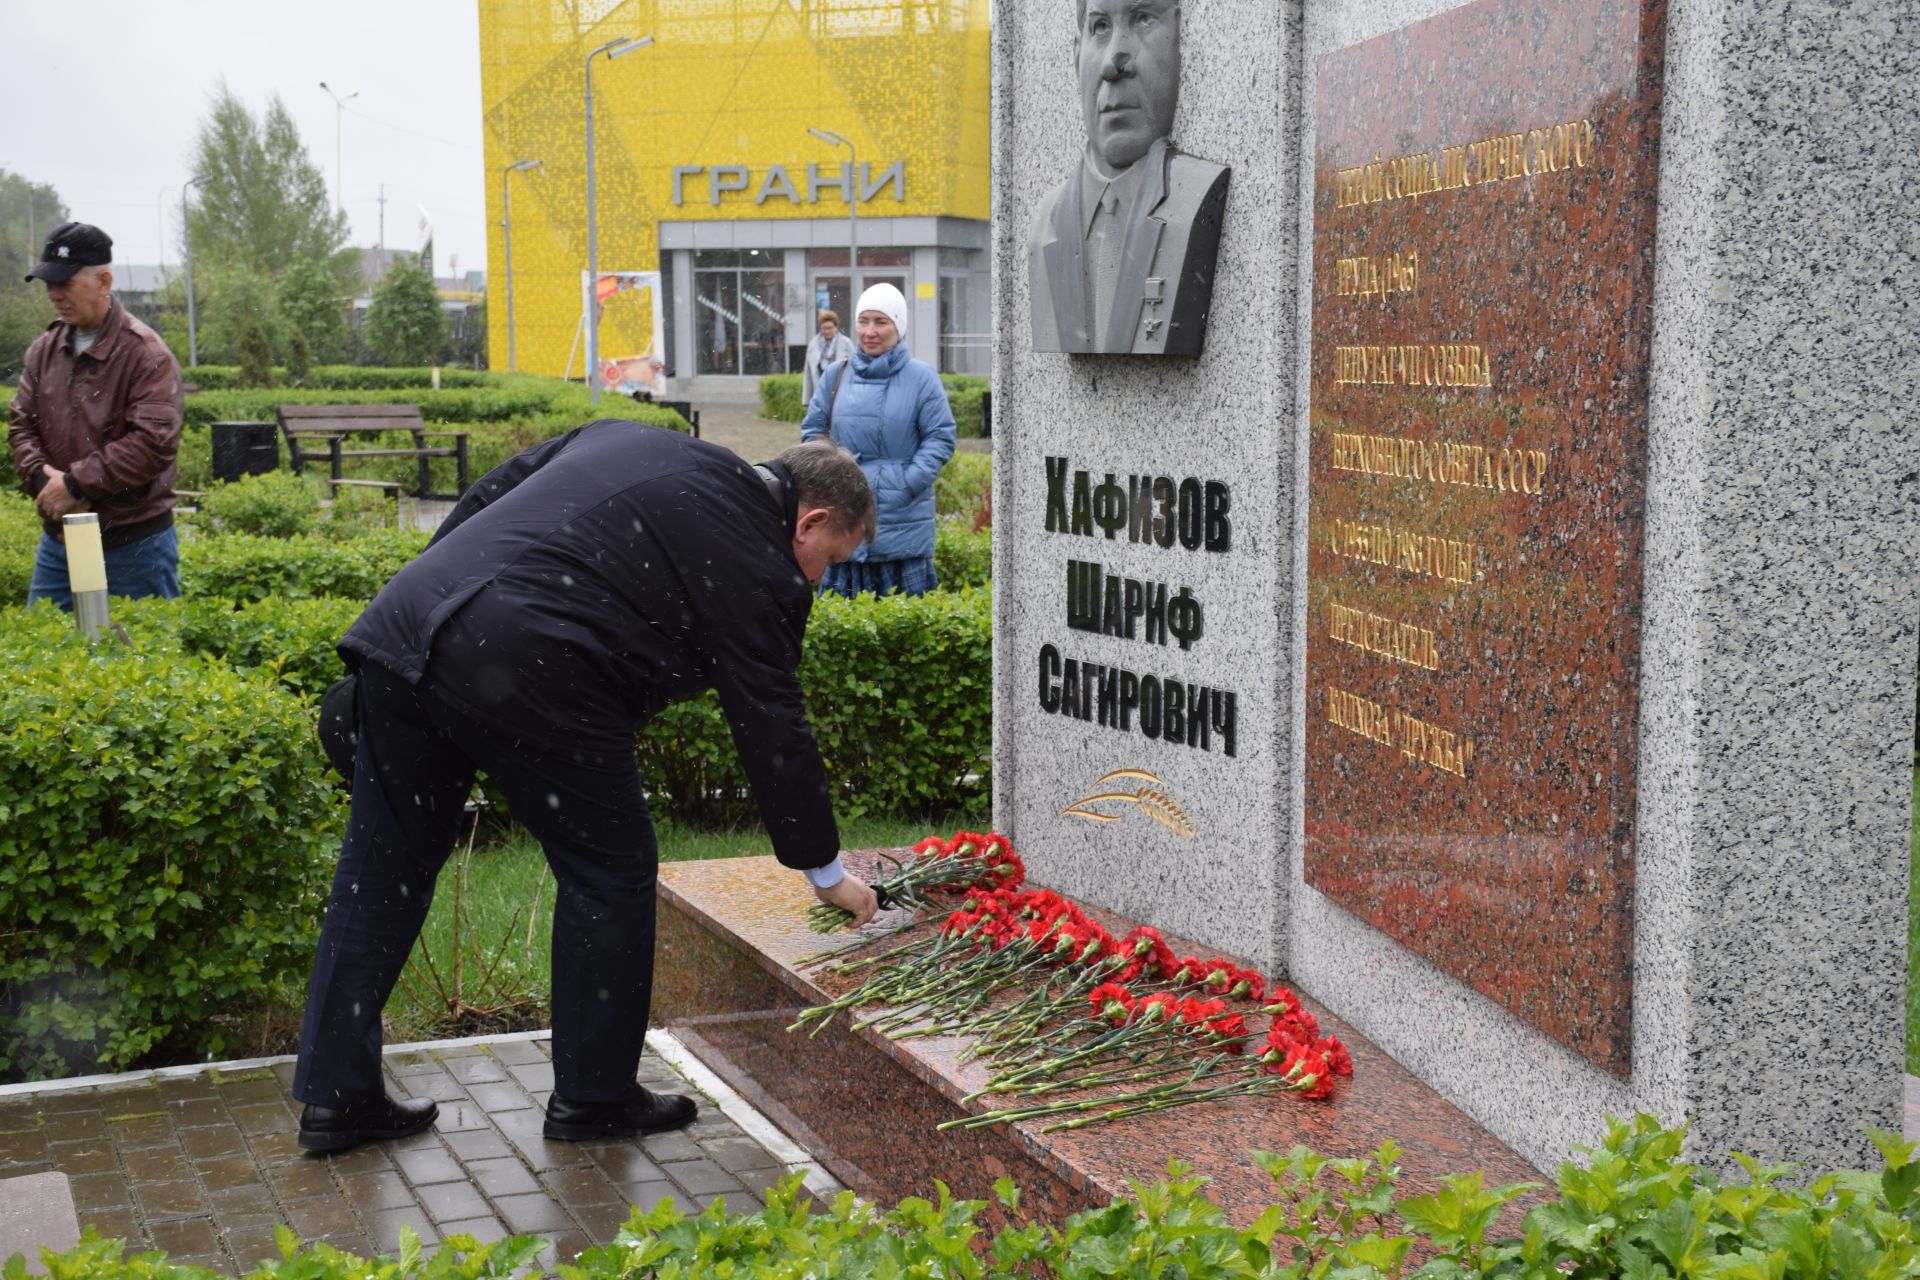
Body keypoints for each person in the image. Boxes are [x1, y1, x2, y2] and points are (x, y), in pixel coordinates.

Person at [292, 427, 882, 1153]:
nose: (819, 580)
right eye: (830, 561)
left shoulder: (631, 437)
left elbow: (489, 495)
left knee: (380, 871)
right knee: (611, 870)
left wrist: (438, 604)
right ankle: (594, 1096)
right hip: (529, 661)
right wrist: (824, 872)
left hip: (412, 625)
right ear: (811, 521)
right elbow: (773, 725)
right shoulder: (755, 556)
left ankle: (337, 1097)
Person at [1028, 0, 1231, 355]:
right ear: (1077, 56)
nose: (1113, 63)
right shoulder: (1047, 221)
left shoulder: (1199, 198)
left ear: (1183, 43)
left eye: (1143, 20)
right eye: (1100, 27)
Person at [7, 222, 184, 605]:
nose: (54, 294)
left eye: (65, 283)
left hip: (134, 545)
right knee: (44, 652)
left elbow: (153, 443)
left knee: (139, 656)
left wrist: (76, 485)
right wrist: (43, 480)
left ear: (104, 281)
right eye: (48, 284)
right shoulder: (43, 350)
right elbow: (21, 424)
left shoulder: (145, 354)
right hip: (60, 542)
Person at [800, 283, 955, 598]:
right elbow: (813, 432)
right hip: (844, 511)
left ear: (899, 326)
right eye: (863, 321)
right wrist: (833, 478)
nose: (870, 331)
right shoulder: (834, 375)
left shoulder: (922, 378)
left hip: (901, 518)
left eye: (881, 322)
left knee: (904, 634)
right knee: (845, 630)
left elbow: (940, 437)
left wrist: (906, 483)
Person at [801, 309, 855, 407]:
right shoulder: (813, 345)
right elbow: (808, 374)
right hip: (820, 394)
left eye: (830, 328)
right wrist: (806, 400)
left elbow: (855, 369)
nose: (827, 331)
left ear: (836, 327)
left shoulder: (846, 344)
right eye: (824, 328)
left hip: (841, 394)